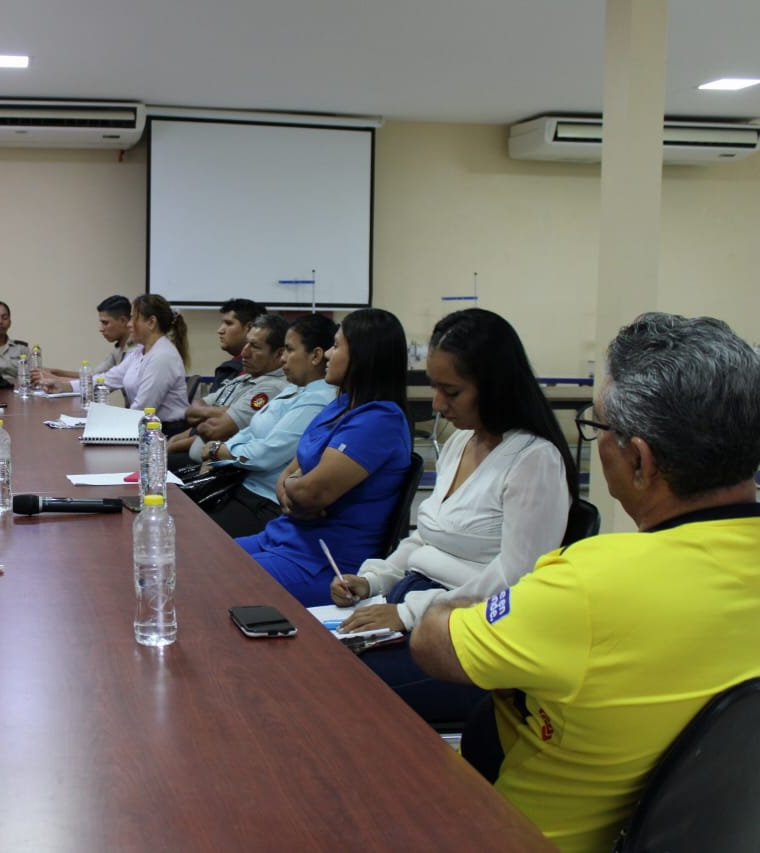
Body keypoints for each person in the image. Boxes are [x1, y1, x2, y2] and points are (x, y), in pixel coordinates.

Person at [411, 312, 760, 853]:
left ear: (639, 459)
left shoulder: (588, 585)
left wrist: (433, 609)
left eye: (597, 429)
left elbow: (433, 646)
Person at [333, 308, 577, 723]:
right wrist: (374, 579)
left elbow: (515, 582)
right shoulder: (461, 442)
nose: (437, 404)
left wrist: (409, 612)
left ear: (495, 387)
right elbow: (426, 536)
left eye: (451, 391)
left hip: (472, 634)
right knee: (320, 657)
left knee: (342, 683)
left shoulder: (534, 460)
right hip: (419, 606)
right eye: (434, 387)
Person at [234, 308, 412, 607]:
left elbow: (308, 492)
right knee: (199, 555)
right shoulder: (339, 405)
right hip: (283, 538)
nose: (328, 354)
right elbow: (289, 477)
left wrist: (298, 487)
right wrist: (296, 487)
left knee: (207, 577)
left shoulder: (380, 420)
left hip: (321, 563)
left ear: (363, 356)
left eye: (337, 346)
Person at [202, 313, 339, 537]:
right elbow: (250, 431)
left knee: (188, 530)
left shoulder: (318, 400)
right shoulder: (295, 388)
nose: (282, 358)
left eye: (290, 350)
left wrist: (218, 450)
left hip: (263, 502)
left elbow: (266, 454)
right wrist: (218, 453)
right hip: (241, 485)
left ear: (315, 356)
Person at [167, 313, 289, 468]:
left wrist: (207, 416)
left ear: (279, 354)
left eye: (255, 347)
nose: (244, 352)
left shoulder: (271, 388)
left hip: (218, 470)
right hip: (198, 461)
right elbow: (191, 411)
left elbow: (212, 431)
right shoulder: (246, 377)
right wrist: (226, 411)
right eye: (246, 343)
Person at [98, 293, 190, 429]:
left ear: (151, 322)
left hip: (163, 432)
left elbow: (143, 408)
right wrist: (69, 387)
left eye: (133, 318)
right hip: (144, 426)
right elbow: (109, 379)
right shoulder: (140, 351)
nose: (129, 324)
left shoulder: (163, 356)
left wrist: (108, 424)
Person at [33, 295, 141, 390]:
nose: (101, 329)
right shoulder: (119, 350)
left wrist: (55, 379)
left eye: (105, 323)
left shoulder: (136, 350)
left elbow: (101, 381)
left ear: (123, 321)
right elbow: (92, 376)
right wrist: (55, 372)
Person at [209, 299, 267, 390]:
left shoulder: (257, 371)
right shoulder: (230, 367)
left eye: (229, 323)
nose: (220, 330)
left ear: (250, 327)